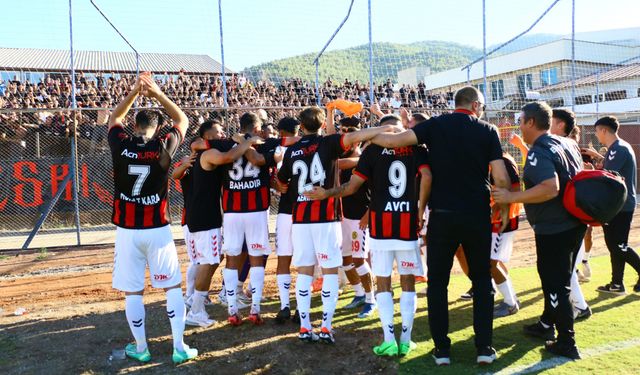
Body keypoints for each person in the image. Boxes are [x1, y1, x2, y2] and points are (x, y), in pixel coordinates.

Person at [369, 86, 511, 365]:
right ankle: (484, 348)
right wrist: (504, 207)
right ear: (475, 105)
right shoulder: (487, 130)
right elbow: (502, 177)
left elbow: (395, 141)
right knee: (481, 281)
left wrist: (364, 134)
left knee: (438, 284)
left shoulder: (435, 125)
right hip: (476, 216)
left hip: (443, 216)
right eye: (481, 105)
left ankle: (442, 350)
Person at [305, 113, 431, 357]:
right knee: (406, 281)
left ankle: (388, 340)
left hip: (382, 225)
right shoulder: (417, 149)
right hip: (406, 223)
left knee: (383, 280)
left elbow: (352, 187)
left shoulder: (371, 152)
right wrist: (420, 208)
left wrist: (326, 194)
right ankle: (405, 340)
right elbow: (427, 175)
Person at [277, 106, 393, 344]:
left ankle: (305, 327)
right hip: (326, 218)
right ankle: (326, 326)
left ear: (301, 125)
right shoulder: (329, 143)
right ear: (322, 125)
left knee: (305, 271)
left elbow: (281, 182)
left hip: (300, 218)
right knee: (330, 270)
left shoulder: (291, 151)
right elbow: (357, 136)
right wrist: (387, 126)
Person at [108, 72, 197, 364]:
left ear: (135, 125)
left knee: (133, 291)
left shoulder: (121, 143)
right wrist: (157, 93)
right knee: (171, 286)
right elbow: (182, 120)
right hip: (157, 229)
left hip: (128, 230)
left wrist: (135, 92)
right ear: (158, 127)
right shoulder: (163, 145)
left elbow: (113, 120)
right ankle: (179, 347)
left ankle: (141, 347)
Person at [493, 101, 586, 360]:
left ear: (531, 122)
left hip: (555, 227)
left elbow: (550, 187)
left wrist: (512, 198)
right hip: (574, 222)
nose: (519, 125)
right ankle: (547, 323)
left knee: (556, 283)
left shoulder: (539, 150)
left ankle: (567, 342)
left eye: (521, 120)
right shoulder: (566, 142)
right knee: (554, 278)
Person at [185, 121, 262, 328]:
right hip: (204, 216)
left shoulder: (204, 149)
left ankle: (195, 301)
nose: (223, 135)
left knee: (211, 258)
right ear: (208, 137)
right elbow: (229, 157)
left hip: (202, 215)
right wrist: (249, 142)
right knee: (208, 261)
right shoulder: (208, 153)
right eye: (218, 132)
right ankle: (196, 309)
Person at [584, 116, 640, 294]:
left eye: (597, 131)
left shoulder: (617, 149)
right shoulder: (619, 147)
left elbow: (608, 176)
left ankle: (621, 281)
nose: (597, 135)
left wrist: (591, 171)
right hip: (619, 204)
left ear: (603, 130)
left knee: (617, 245)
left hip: (620, 205)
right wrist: (599, 157)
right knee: (615, 244)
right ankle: (617, 284)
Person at [273, 116, 301, 323]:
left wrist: (276, 184)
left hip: (285, 210)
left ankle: (285, 306)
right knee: (304, 262)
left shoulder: (279, 149)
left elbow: (278, 180)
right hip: (306, 211)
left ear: (282, 133)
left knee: (284, 258)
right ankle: (302, 307)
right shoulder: (315, 147)